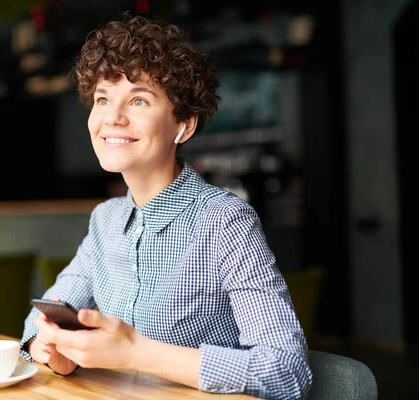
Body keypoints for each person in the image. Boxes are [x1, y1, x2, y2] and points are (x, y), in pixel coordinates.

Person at [20, 12, 312, 400]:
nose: (112, 117)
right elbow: (42, 316)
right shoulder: (106, 220)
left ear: (183, 126)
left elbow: (287, 371)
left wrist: (137, 353)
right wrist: (50, 346)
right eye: (103, 98)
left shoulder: (224, 221)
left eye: (138, 100)